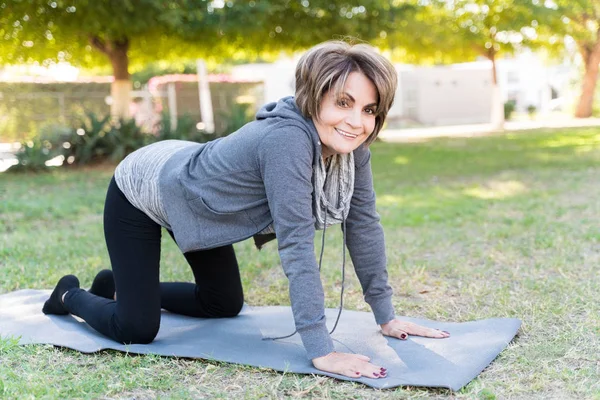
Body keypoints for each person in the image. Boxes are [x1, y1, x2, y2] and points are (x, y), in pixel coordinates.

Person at [42, 40, 449, 379]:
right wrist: (321, 349)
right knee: (136, 328)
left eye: (369, 109)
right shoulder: (287, 142)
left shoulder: (352, 148)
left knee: (223, 304)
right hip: (145, 188)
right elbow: (296, 246)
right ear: (314, 96)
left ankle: (119, 287)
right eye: (343, 102)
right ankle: (69, 294)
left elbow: (364, 225)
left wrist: (387, 316)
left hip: (201, 202)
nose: (356, 121)